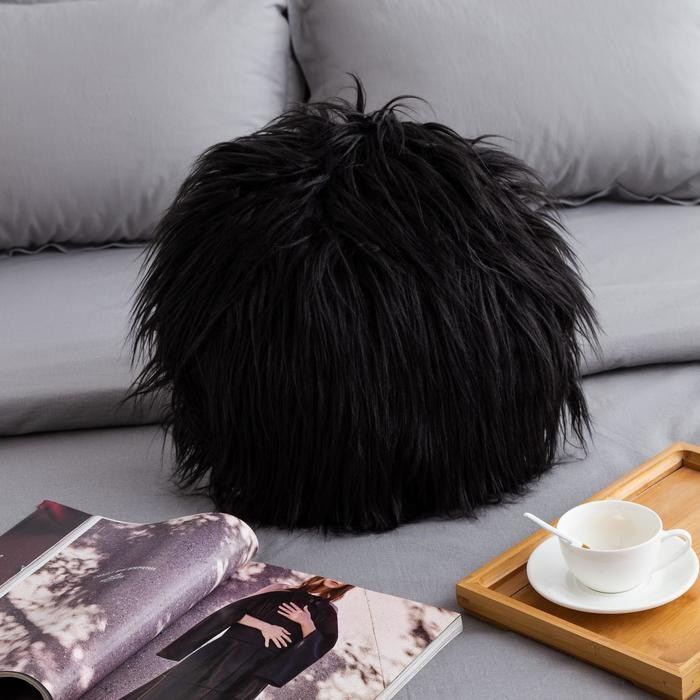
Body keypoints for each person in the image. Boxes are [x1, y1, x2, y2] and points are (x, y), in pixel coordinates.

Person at [125, 576, 354, 700]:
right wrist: (266, 627)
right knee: (173, 688)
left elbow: (317, 646)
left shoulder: (329, 611)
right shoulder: (281, 588)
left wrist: (305, 621)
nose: (338, 578)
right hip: (226, 649)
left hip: (258, 667)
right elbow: (232, 612)